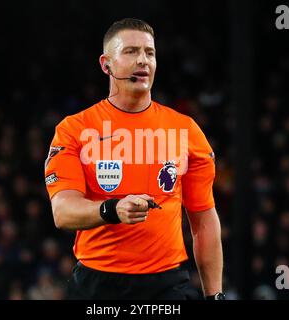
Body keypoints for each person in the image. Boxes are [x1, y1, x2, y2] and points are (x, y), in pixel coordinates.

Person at [44, 18, 224, 300]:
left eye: (149, 53)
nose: (143, 61)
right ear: (106, 64)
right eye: (130, 52)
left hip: (167, 286)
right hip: (97, 285)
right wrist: (113, 210)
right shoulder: (75, 129)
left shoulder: (185, 130)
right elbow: (63, 212)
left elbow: (203, 219)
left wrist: (215, 295)